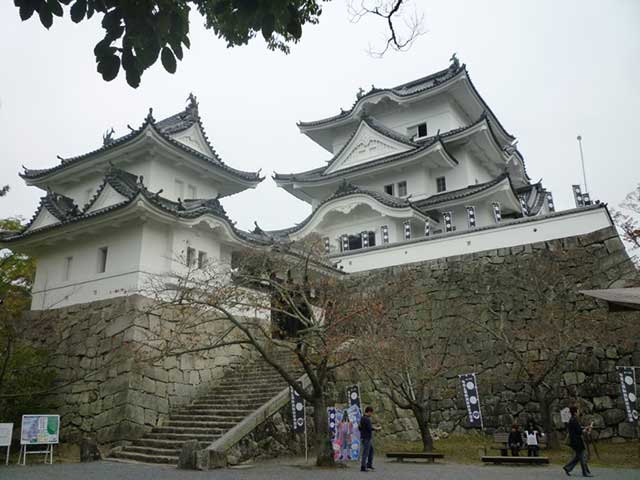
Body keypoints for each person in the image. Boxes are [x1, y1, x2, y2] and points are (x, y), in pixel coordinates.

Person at [563, 406, 593, 477]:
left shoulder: (572, 420)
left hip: (574, 441)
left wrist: (584, 428)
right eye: (577, 411)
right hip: (577, 441)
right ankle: (585, 472)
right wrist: (585, 430)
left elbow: (577, 429)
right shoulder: (574, 420)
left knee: (578, 457)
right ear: (575, 412)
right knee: (582, 457)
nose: (578, 412)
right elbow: (579, 431)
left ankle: (567, 468)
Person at [359, 406, 380, 472]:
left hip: (363, 437)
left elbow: (360, 428)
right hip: (367, 438)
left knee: (371, 451)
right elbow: (369, 428)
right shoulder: (367, 419)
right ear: (369, 412)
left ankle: (369, 465)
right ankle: (363, 466)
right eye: (371, 413)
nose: (371, 414)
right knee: (366, 452)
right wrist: (377, 428)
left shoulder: (362, 418)